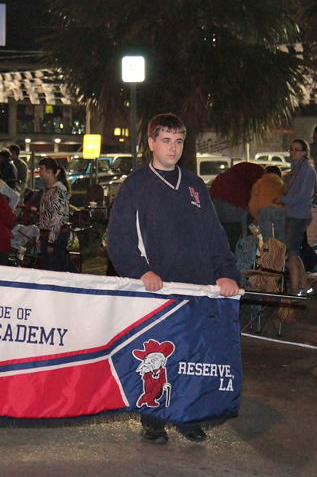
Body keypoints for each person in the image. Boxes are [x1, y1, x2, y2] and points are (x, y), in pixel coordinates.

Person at [107, 113, 239, 445]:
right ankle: (153, 419)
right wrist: (141, 271)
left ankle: (189, 415)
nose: (173, 147)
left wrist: (225, 273)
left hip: (197, 290)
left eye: (178, 140)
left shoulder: (195, 185)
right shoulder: (136, 185)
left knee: (193, 358)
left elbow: (214, 237)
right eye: (165, 140)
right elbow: (119, 239)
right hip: (158, 291)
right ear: (151, 143)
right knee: (158, 360)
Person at [280, 139, 317, 295]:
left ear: (303, 152)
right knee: (295, 251)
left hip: (298, 214)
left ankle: (294, 289)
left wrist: (283, 199)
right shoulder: (297, 169)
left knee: (292, 252)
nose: (292, 152)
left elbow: (302, 196)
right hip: (293, 213)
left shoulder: (306, 170)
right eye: (291, 149)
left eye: (296, 150)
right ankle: (303, 284)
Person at [209, 161, 265, 250]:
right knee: (232, 238)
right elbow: (248, 202)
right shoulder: (258, 175)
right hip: (232, 213)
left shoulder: (232, 176)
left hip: (217, 204)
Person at [37, 157, 70, 272]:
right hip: (47, 234)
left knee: (55, 268)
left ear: (50, 171)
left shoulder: (58, 190)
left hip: (56, 236)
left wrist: (51, 241)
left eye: (41, 169)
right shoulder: (48, 189)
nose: (39, 172)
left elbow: (57, 217)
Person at [248, 165, 285, 242]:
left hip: (263, 209)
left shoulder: (259, 183)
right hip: (280, 210)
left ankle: (269, 253)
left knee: (267, 238)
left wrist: (255, 217)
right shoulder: (281, 184)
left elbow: (254, 201)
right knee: (280, 238)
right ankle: (279, 253)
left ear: (267, 172)